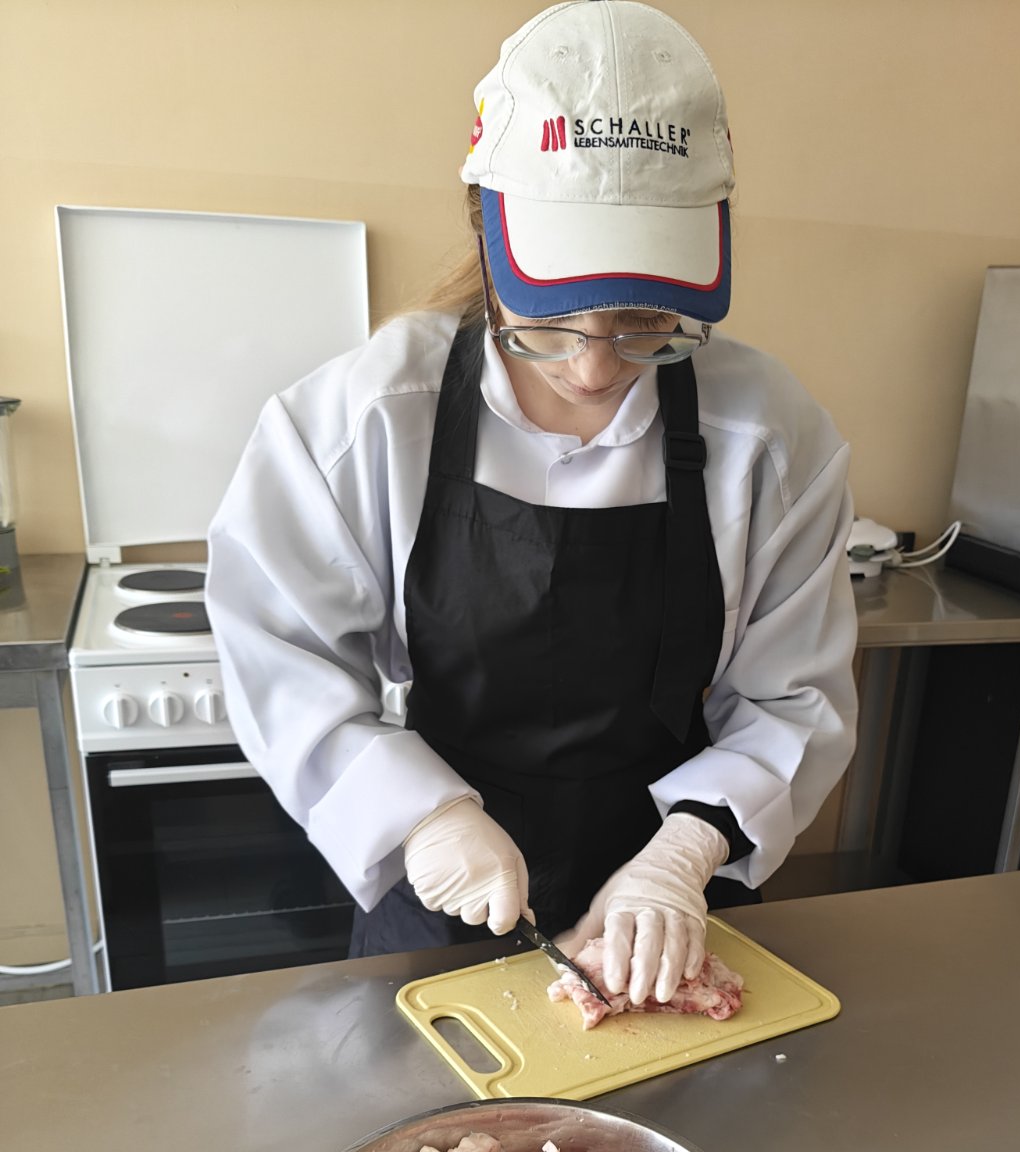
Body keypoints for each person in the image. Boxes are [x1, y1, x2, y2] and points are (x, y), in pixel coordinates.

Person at [207, 0, 858, 1009]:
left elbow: (794, 700)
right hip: (439, 888)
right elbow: (282, 658)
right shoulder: (364, 418)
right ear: (487, 234)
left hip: (670, 908)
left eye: (646, 321)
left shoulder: (769, 437)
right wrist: (423, 818)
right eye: (550, 321)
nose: (595, 370)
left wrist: (684, 854)